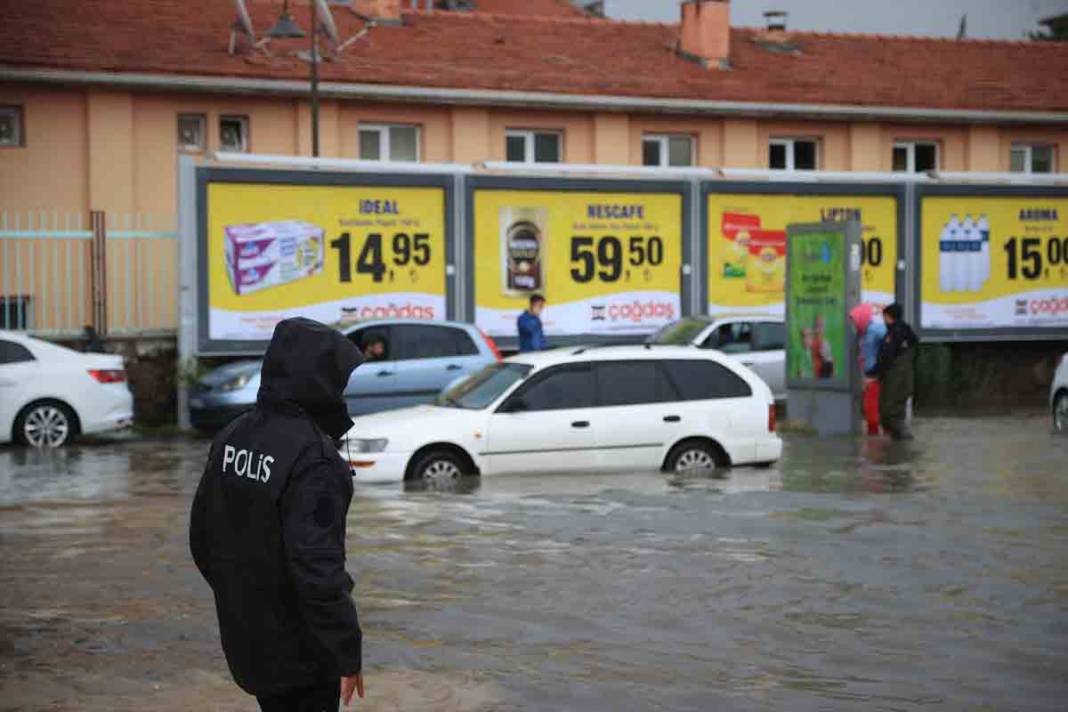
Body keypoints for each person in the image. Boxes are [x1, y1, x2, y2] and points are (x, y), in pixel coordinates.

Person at [190, 317, 366, 711]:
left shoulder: (233, 435)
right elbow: (318, 572)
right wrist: (347, 651)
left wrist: (244, 602)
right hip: (302, 655)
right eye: (338, 378)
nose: (342, 389)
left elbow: (203, 539)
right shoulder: (316, 460)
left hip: (248, 643)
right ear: (318, 379)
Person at [873, 303, 919, 440]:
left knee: (888, 410)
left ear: (889, 316)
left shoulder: (894, 333)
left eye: (885, 316)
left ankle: (900, 440)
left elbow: (886, 356)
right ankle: (899, 444)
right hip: (904, 378)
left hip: (895, 379)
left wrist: (874, 373)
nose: (884, 320)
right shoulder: (907, 331)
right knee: (897, 409)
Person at [849, 303, 887, 435]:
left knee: (872, 409)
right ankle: (874, 437)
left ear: (862, 318)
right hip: (869, 376)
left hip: (877, 376)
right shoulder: (863, 334)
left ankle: (875, 439)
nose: (853, 324)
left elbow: (892, 342)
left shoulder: (875, 330)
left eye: (855, 320)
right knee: (870, 409)